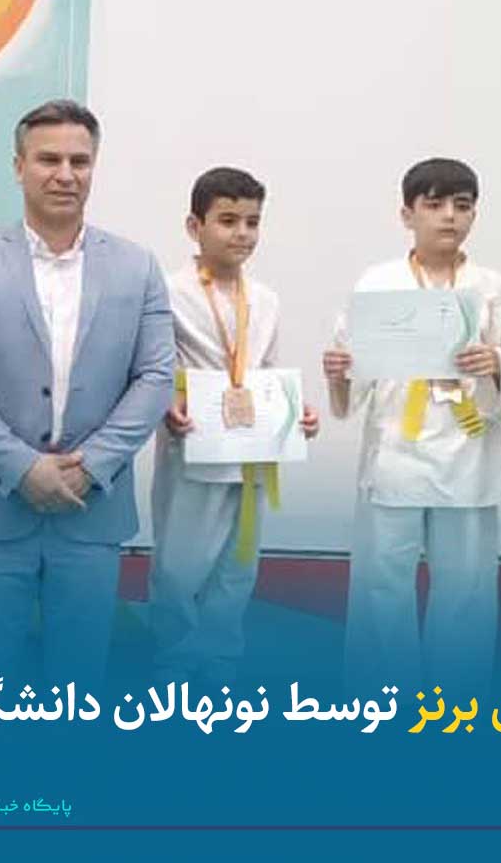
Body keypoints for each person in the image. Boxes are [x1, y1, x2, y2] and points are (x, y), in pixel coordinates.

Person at [0, 99, 175, 688]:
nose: (65, 174)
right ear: (18, 167)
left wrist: (92, 466)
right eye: (48, 160)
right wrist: (22, 468)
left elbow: (155, 378)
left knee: (78, 682)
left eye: (79, 162)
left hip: (92, 508)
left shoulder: (138, 267)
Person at [324, 158, 501, 693]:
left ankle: (457, 701)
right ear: (407, 214)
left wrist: (496, 365)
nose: (449, 217)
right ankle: (382, 699)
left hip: (468, 451)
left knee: (467, 587)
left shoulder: (492, 286)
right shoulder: (378, 282)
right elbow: (352, 379)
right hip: (397, 451)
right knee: (381, 586)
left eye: (462, 205)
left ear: (475, 214)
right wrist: (340, 373)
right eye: (434, 205)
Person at [151, 167, 319, 688]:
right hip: (192, 439)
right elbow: (152, 368)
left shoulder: (264, 298)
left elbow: (266, 371)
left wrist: (295, 414)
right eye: (227, 220)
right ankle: (174, 659)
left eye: (252, 222)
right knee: (180, 563)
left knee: (239, 560)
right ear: (194, 226)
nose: (242, 233)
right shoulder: (167, 292)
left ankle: (220, 656)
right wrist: (166, 403)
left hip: (252, 445)